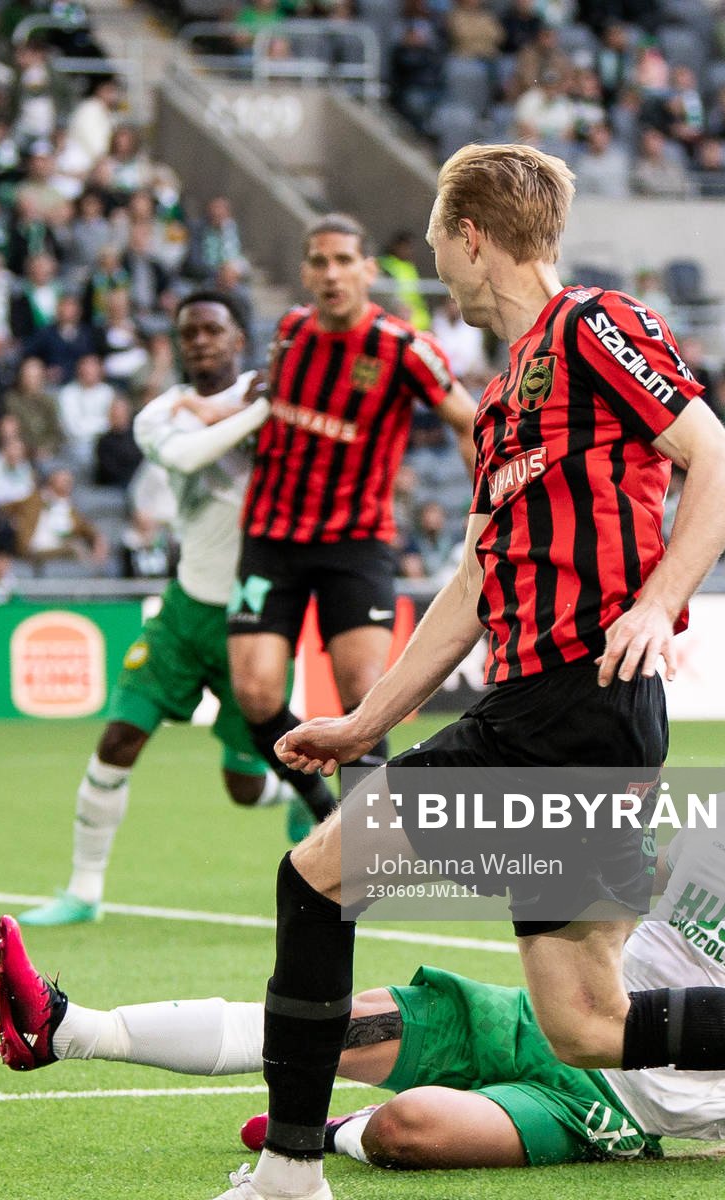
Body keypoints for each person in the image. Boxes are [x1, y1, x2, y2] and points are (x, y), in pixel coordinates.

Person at [86, 144, 725, 1200]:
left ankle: (291, 1184)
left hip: (569, 703)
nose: (433, 260)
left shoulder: (594, 325)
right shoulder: (504, 397)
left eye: (436, 238)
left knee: (316, 882)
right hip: (563, 711)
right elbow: (473, 582)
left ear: (471, 237)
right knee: (588, 1021)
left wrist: (653, 604)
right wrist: (366, 718)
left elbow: (722, 463)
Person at [0, 669, 725, 1171]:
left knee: (407, 1129)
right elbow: (618, 912)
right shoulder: (721, 826)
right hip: (561, 1014)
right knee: (338, 1015)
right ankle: (70, 1026)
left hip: (629, 1109)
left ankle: (334, 1133)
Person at [21, 292, 307, 929]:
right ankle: (83, 891)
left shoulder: (277, 399)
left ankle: (288, 792)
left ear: (238, 337)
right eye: (189, 332)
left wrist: (268, 403)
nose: (201, 340)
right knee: (119, 737)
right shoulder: (162, 414)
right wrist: (265, 408)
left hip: (253, 615)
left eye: (214, 329)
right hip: (182, 611)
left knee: (241, 785)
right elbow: (186, 456)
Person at [226, 213, 478, 837]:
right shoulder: (289, 331)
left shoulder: (402, 349)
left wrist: (488, 510)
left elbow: (470, 422)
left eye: (344, 260)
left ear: (368, 270)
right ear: (306, 272)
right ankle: (323, 811)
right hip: (271, 538)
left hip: (355, 543)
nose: (331, 272)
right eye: (319, 261)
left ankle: (360, 844)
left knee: (365, 697)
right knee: (255, 694)